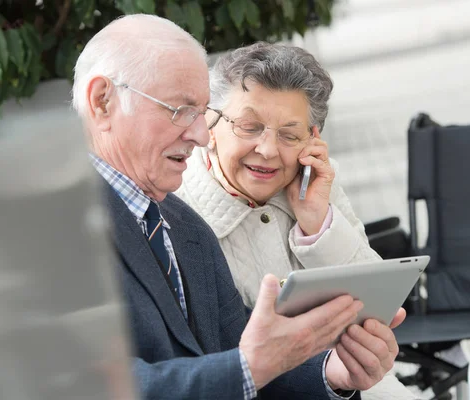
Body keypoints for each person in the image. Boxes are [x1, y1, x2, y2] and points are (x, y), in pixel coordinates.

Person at [72, 14, 405, 400]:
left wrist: (332, 373)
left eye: (201, 114)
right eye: (180, 110)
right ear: (103, 101)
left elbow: (246, 351)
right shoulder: (42, 229)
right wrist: (249, 367)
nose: (198, 134)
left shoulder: (183, 226)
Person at [174, 43, 416, 400]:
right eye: (249, 126)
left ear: (312, 138)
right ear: (210, 123)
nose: (268, 150)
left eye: (289, 134)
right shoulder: (177, 211)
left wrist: (318, 223)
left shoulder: (314, 185)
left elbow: (377, 306)